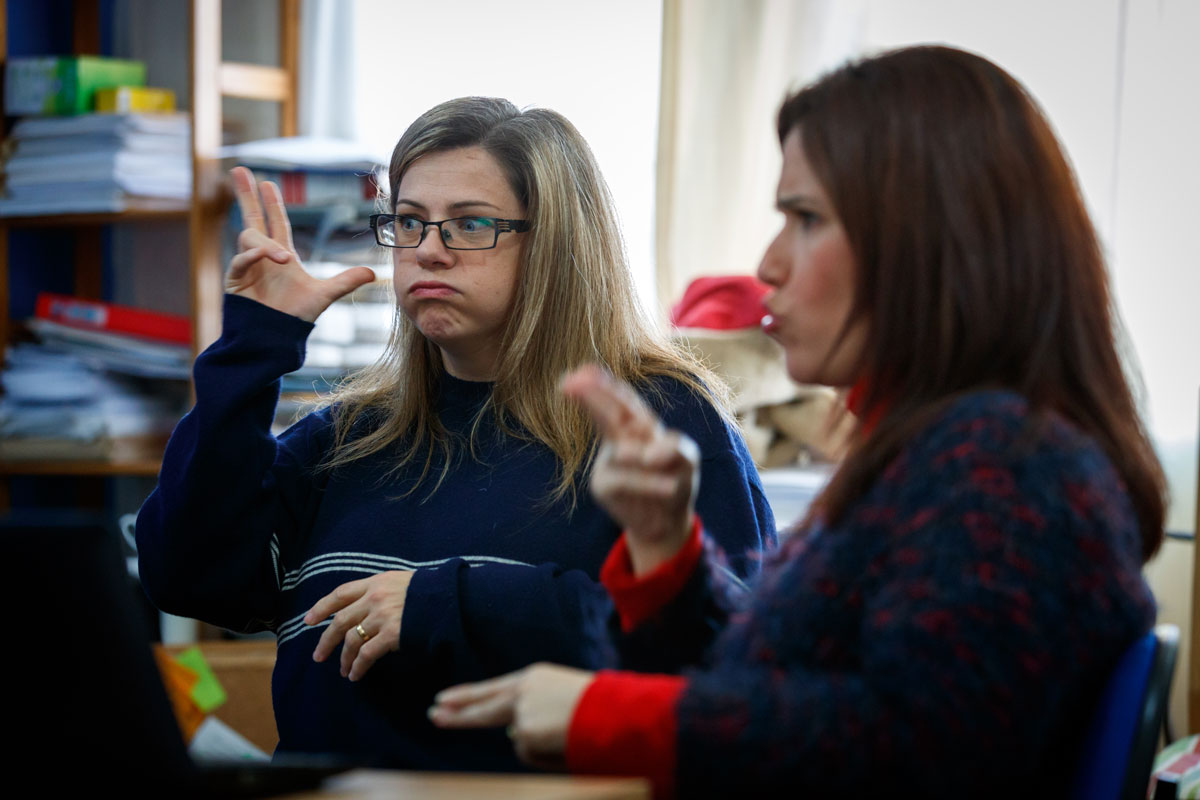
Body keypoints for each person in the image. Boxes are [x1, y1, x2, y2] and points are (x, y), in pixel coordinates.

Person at [428, 46, 1168, 798]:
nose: (768, 263)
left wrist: (611, 714)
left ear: (932, 240)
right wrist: (664, 550)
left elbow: (913, 750)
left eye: (806, 218)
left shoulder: (1006, 467)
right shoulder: (944, 451)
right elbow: (763, 684)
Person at [135, 97, 774, 770]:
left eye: (470, 225)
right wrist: (253, 349)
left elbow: (734, 655)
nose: (429, 251)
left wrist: (450, 604)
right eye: (410, 223)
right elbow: (187, 579)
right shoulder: (350, 434)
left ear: (554, 242)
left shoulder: (659, 417)